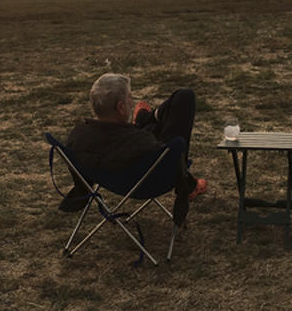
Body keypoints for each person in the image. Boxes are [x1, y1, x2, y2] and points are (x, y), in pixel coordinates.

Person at [59, 73, 207, 221]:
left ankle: (144, 118)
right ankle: (145, 119)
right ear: (121, 108)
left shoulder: (78, 137)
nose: (132, 101)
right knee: (185, 98)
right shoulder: (140, 141)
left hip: (115, 177)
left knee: (161, 117)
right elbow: (167, 154)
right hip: (150, 180)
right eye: (130, 98)